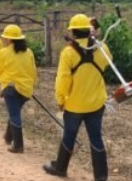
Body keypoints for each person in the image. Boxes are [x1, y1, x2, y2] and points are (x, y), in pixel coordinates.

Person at [42, 14, 111, 180]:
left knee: (69, 135)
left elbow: (62, 80)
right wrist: (96, 40)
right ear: (89, 31)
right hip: (96, 103)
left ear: (72, 32)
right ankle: (101, 176)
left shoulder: (68, 52)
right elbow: (108, 62)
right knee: (96, 137)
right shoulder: (103, 48)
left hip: (74, 105)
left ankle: (60, 168)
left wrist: (60, 100)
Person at [0, 24, 37, 154]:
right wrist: (31, 85)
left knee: (14, 114)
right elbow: (33, 72)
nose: (3, 40)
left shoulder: (5, 52)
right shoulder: (29, 52)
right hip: (25, 89)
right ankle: (8, 136)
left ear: (9, 39)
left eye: (5, 38)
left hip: (11, 88)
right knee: (14, 111)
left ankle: (18, 145)